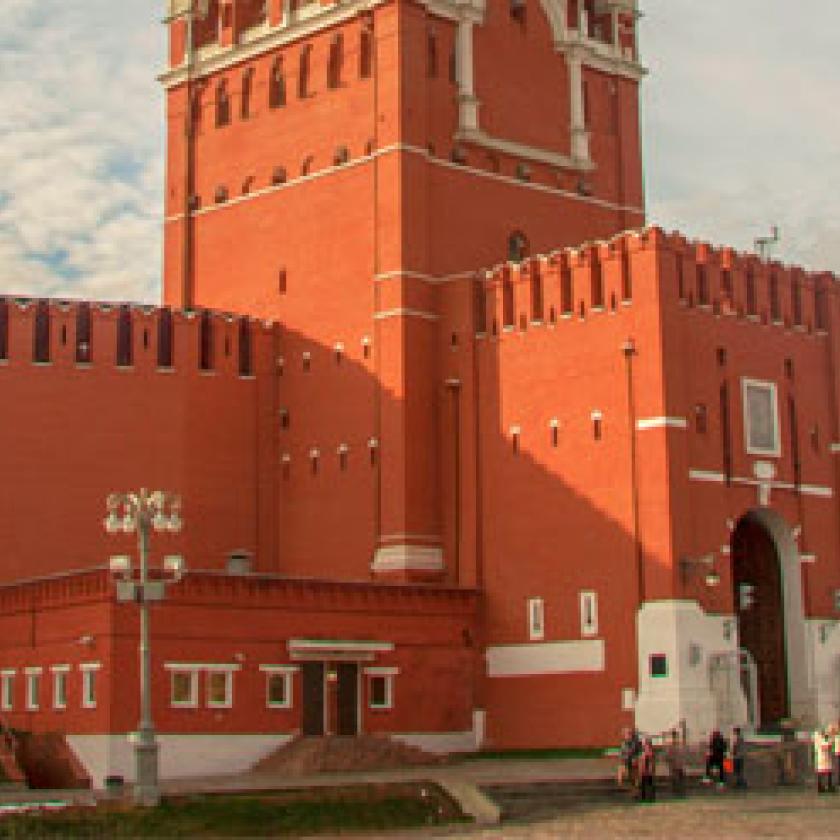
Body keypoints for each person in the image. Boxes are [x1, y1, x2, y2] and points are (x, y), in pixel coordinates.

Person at [665, 728, 686, 797]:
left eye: (676, 736)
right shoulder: (670, 746)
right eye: (674, 736)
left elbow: (682, 755)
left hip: (679, 764)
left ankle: (680, 792)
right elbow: (667, 757)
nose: (675, 738)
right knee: (675, 779)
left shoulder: (679, 745)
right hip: (674, 765)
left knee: (679, 778)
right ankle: (676, 792)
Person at [637, 737, 657, 803]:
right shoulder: (643, 754)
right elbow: (641, 764)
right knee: (644, 786)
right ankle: (645, 798)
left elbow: (652, 764)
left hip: (648, 773)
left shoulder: (650, 754)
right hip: (645, 773)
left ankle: (650, 798)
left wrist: (652, 771)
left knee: (649, 786)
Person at [815, 727, 834, 794]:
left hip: (826, 758)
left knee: (829, 773)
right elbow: (826, 746)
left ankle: (829, 785)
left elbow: (830, 746)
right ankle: (820, 787)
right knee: (821, 773)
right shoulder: (819, 739)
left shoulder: (826, 740)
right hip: (822, 758)